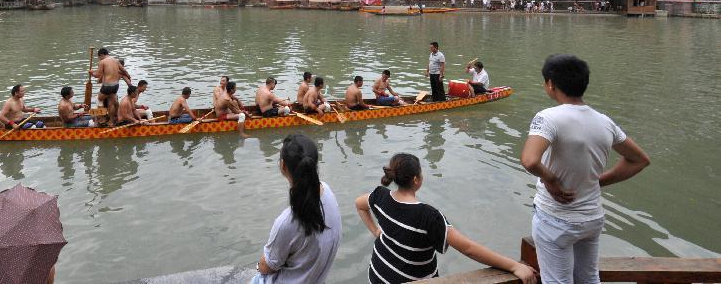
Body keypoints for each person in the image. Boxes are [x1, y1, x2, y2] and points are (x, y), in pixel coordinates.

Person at [521, 54, 650, 284]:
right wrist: (598, 181)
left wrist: (551, 179)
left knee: (557, 281)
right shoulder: (604, 121)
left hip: (556, 218)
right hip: (592, 218)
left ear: (551, 84)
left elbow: (530, 160)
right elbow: (639, 160)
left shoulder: (547, 117)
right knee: (589, 278)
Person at [356, 153, 537, 284]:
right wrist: (515, 266)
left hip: (377, 275)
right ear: (416, 179)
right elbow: (468, 249)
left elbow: (359, 204)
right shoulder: (428, 216)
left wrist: (376, 232)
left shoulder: (380, 196)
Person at [253, 134, 341, 283]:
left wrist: (258, 266)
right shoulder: (328, 192)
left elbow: (268, 265)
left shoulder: (287, 222)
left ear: (283, 166)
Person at [90, 48, 126, 124]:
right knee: (111, 102)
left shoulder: (102, 62)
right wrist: (128, 76)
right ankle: (111, 121)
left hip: (107, 86)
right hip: (116, 85)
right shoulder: (116, 60)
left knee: (99, 99)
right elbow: (123, 70)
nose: (99, 59)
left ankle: (102, 118)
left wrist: (92, 73)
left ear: (101, 55)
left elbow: (98, 75)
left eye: (99, 57)